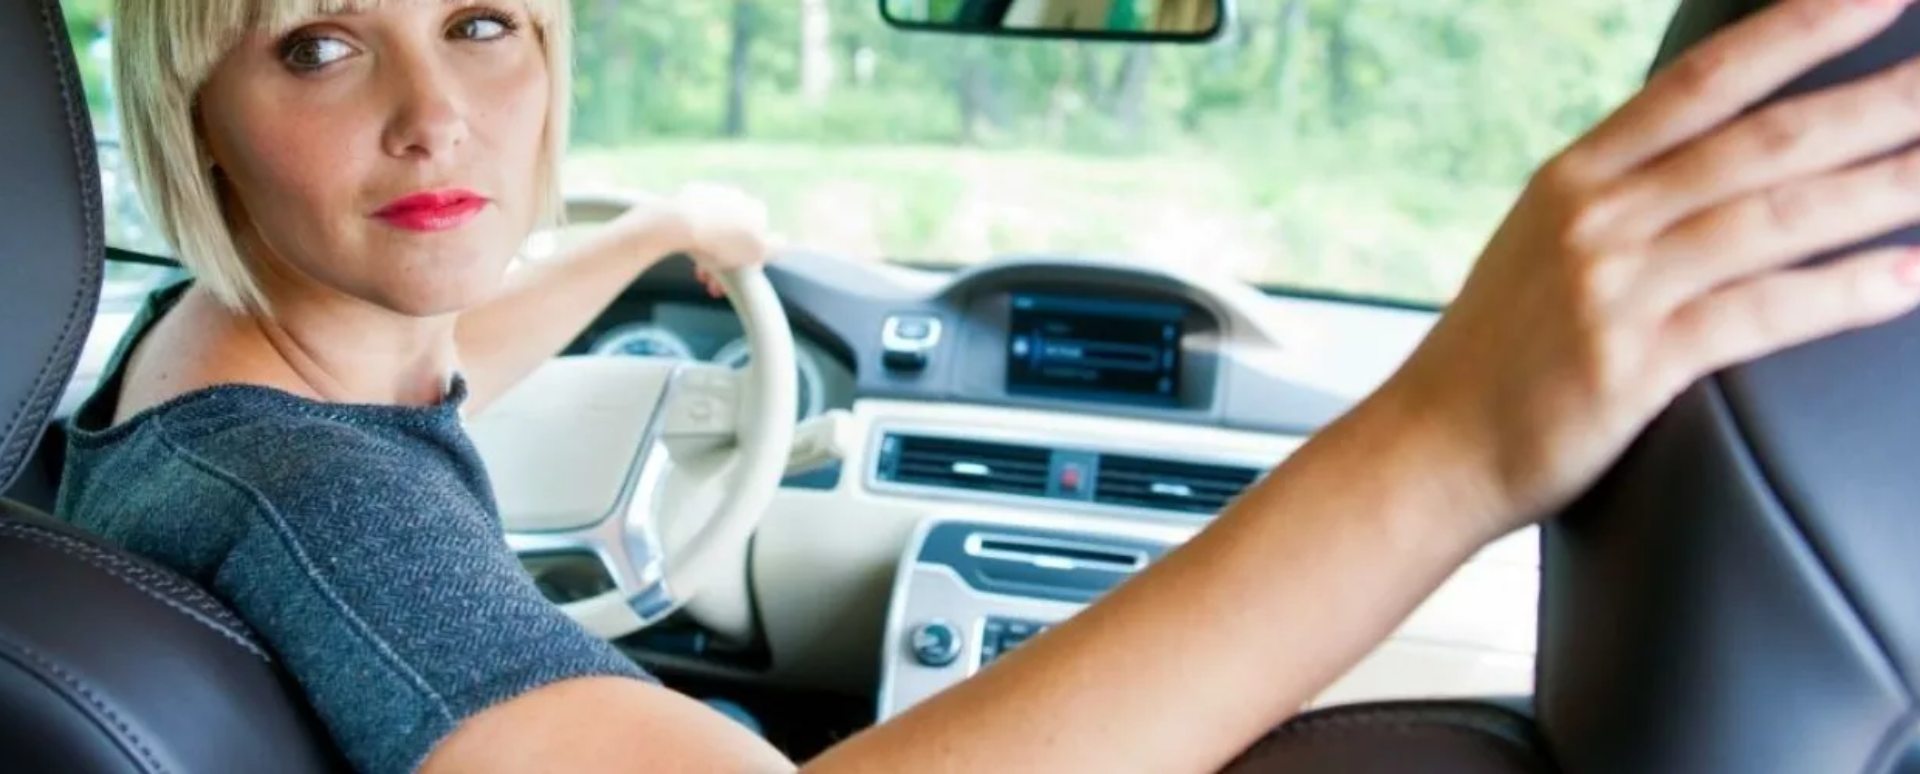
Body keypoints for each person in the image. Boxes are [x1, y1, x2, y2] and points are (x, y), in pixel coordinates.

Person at [54, 0, 1920, 772]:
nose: (435, 111)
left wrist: (649, 240)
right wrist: (1455, 434)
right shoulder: (318, 508)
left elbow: (439, 363)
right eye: (316, 44)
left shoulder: (211, 368)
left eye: (480, 21)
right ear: (194, 122)